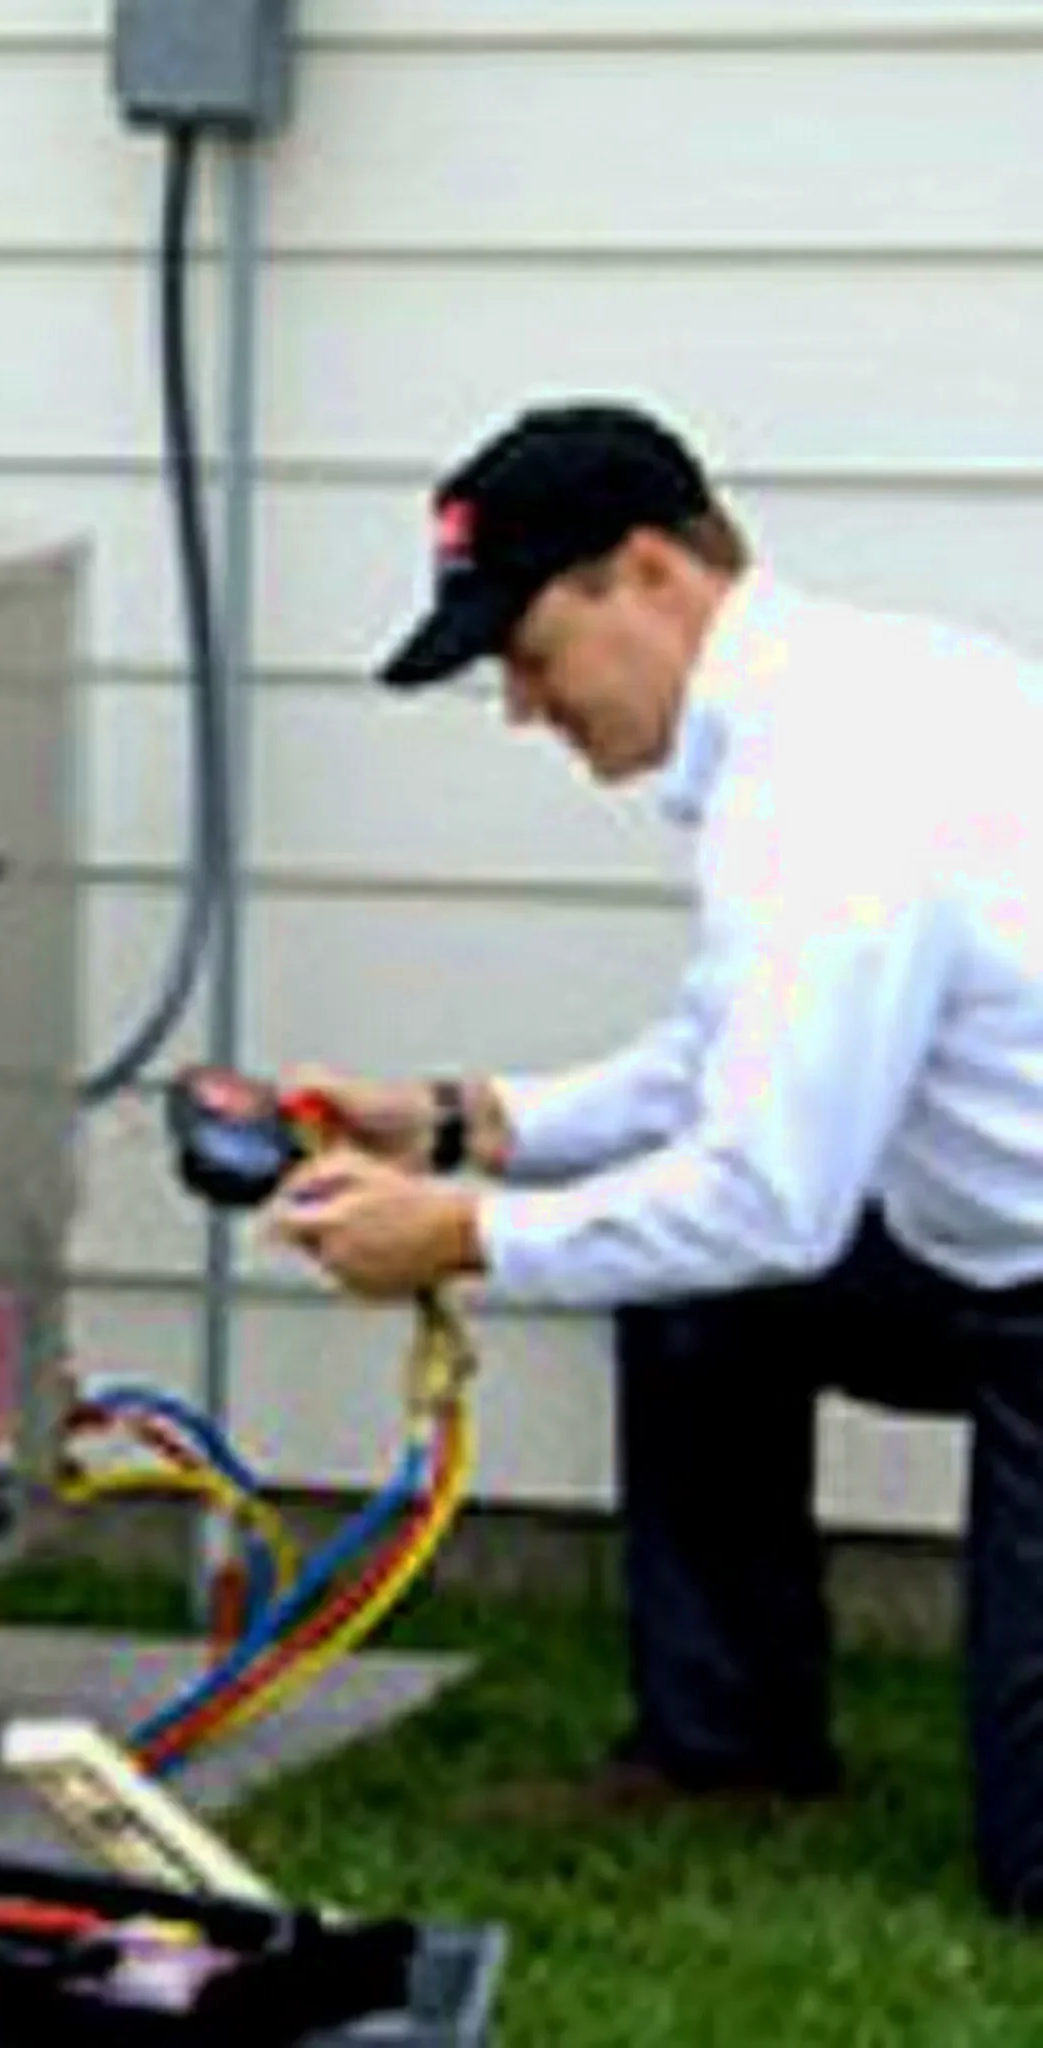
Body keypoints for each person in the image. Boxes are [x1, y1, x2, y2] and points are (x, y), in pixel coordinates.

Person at [264, 398, 1043, 1921]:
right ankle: (728, 1753)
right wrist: (463, 1121)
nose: (521, 706)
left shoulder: (835, 773)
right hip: (980, 1249)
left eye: (528, 651)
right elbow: (724, 1057)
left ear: (646, 573)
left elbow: (766, 1199)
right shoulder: (825, 705)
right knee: (697, 1301)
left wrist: (463, 1234)